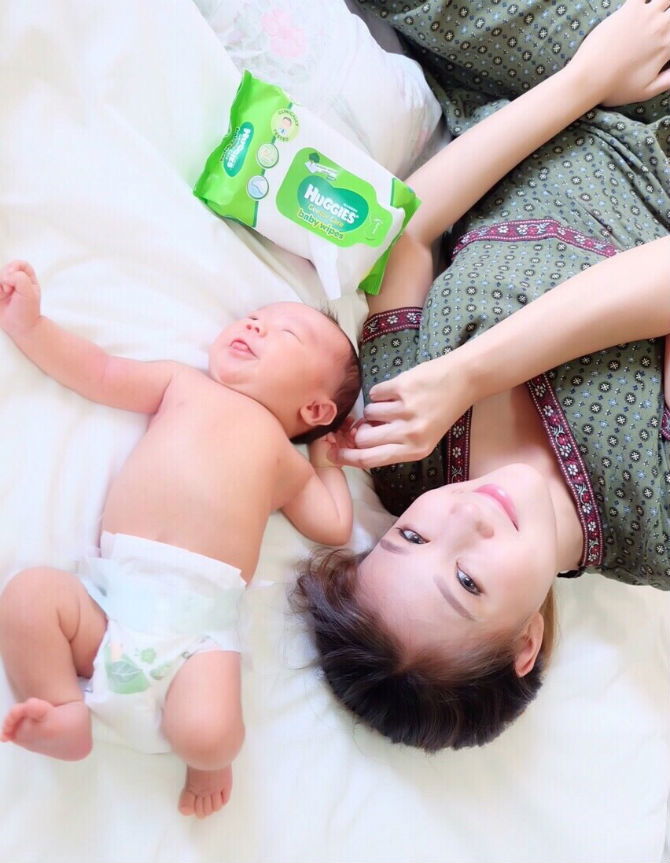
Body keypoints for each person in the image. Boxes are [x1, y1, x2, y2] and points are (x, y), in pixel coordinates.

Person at [295, 0, 670, 752]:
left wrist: (582, 80)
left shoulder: (409, 458)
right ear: (526, 643)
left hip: (541, 95)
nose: (461, 519)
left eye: (410, 536)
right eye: (468, 581)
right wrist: (469, 374)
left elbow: (406, 236)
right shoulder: (657, 524)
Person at [0, 259, 360, 818]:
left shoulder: (283, 460)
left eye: (284, 332)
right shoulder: (182, 384)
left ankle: (209, 762)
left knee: (209, 734)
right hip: (108, 600)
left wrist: (326, 458)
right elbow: (99, 371)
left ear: (315, 408)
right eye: (255, 317)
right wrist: (31, 327)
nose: (255, 325)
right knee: (29, 597)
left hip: (198, 633)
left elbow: (334, 525)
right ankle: (63, 709)